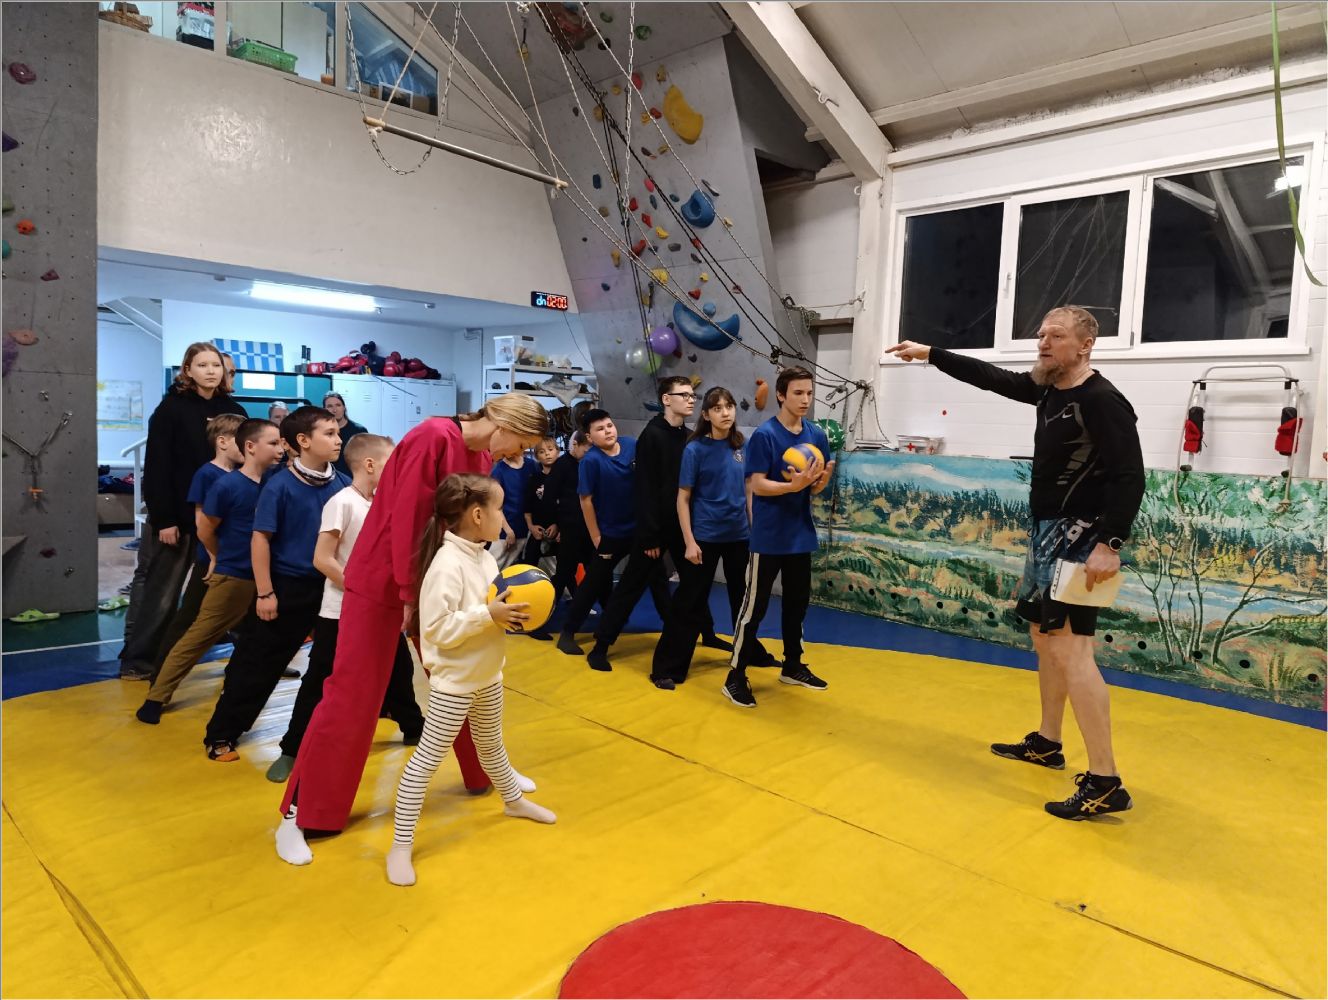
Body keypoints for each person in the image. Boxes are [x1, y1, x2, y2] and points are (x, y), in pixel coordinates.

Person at [886, 305, 1145, 820]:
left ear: (1086, 345)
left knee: (1073, 651)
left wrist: (1109, 544)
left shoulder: (1101, 399)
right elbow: (992, 378)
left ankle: (1105, 780)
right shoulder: (1048, 390)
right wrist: (931, 353)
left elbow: (1130, 475)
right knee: (1044, 639)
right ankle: (1048, 742)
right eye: (1041, 334)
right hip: (1047, 534)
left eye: (1056, 336)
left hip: (1083, 539)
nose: (1043, 343)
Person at [275, 393, 550, 867]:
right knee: (352, 695)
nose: (516, 454)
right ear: (505, 423)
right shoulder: (432, 436)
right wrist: (408, 595)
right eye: (520, 443)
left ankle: (488, 773)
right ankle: (301, 814)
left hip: (433, 580)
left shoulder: (481, 455)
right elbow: (405, 517)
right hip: (384, 580)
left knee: (467, 676)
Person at [385, 473, 556, 887]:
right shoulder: (446, 565)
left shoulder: (484, 557)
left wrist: (510, 616)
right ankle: (400, 846)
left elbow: (491, 609)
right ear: (477, 515)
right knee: (425, 762)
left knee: (492, 745)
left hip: (488, 675)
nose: (504, 515)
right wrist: (488, 615)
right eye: (498, 508)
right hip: (455, 684)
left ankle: (513, 801)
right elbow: (436, 631)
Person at [265, 434, 424, 783]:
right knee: (319, 678)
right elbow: (322, 559)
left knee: (399, 670)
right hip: (341, 611)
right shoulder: (342, 502)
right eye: (392, 463)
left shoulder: (382, 503)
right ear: (369, 464)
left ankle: (414, 726)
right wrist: (358, 590)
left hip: (382, 609)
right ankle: (292, 748)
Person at [201, 406, 348, 762]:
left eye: (337, 432)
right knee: (260, 663)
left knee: (332, 663)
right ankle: (222, 733)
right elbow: (261, 539)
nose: (338, 440)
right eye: (329, 433)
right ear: (303, 441)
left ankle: (312, 734)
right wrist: (266, 592)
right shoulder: (279, 485)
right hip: (288, 587)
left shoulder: (342, 484)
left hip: (331, 587)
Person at [571, 378, 728, 674]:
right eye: (684, 395)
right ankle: (600, 646)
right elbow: (644, 489)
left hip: (682, 525)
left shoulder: (688, 436)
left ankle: (707, 634)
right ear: (667, 399)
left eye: (692, 395)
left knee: (696, 582)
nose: (691, 400)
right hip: (655, 529)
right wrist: (650, 536)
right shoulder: (652, 435)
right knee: (630, 587)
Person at [135, 419, 285, 723]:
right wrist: (218, 557)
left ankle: (240, 685)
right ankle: (156, 696)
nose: (280, 449)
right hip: (234, 574)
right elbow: (205, 529)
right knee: (199, 634)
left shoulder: (274, 482)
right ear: (250, 447)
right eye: (273, 443)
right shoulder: (226, 485)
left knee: (257, 637)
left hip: (266, 576)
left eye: (281, 442)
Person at [119, 342, 246, 680]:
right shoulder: (171, 409)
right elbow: (158, 467)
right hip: (179, 517)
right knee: (163, 593)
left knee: (232, 588)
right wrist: (164, 519)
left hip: (222, 518)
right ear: (187, 370)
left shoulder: (233, 409)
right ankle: (139, 660)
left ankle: (249, 657)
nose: (211, 371)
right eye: (202, 365)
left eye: (215, 365)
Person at [724, 367, 835, 709]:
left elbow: (813, 487)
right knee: (754, 608)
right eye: (798, 393)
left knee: (797, 605)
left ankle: (792, 665)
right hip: (769, 536)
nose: (805, 399)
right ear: (782, 395)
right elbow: (757, 484)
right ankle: (735, 675)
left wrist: (819, 483)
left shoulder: (816, 435)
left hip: (800, 533)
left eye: (809, 393)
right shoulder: (765, 435)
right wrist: (792, 486)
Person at [652, 387, 754, 689]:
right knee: (690, 602)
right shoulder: (695, 449)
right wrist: (689, 541)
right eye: (717, 408)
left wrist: (755, 530)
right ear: (706, 415)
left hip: (739, 536)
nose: (725, 413)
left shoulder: (741, 445)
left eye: (729, 406)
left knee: (744, 600)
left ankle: (748, 653)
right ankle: (666, 668)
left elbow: (748, 492)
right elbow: (682, 499)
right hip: (705, 536)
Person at [145, 413, 245, 686]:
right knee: (189, 618)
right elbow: (203, 525)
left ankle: (247, 668)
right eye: (241, 440)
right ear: (222, 442)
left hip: (237, 561)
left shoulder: (241, 475)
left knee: (246, 620)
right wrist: (214, 557)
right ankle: (160, 675)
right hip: (213, 561)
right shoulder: (207, 474)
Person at [547, 430, 592, 603]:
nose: (587, 455)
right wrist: (555, 524)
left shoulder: (589, 463)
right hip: (569, 524)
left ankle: (597, 606)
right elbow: (550, 495)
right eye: (585, 451)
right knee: (565, 570)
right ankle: (549, 606)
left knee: (595, 569)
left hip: (589, 525)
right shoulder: (562, 465)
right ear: (575, 445)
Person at [489, 448, 534, 570]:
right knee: (493, 567)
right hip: (506, 529)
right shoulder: (498, 471)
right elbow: (494, 505)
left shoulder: (532, 465)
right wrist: (508, 530)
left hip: (530, 529)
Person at [521, 437, 561, 571]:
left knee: (563, 568)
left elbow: (569, 507)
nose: (547, 454)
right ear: (537, 456)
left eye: (550, 449)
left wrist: (559, 527)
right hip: (537, 530)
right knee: (528, 565)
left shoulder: (564, 478)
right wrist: (531, 527)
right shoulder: (534, 479)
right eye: (542, 452)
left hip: (559, 530)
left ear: (557, 452)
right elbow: (527, 508)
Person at [323, 392, 368, 478]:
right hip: (329, 478)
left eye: (338, 405)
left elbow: (365, 458)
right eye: (330, 406)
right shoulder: (322, 432)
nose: (334, 410)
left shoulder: (359, 430)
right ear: (324, 410)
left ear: (344, 407)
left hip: (352, 478)